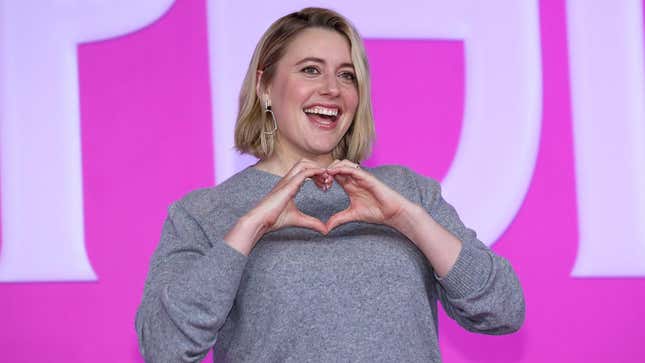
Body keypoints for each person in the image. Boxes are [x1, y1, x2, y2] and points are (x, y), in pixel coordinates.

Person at [135, 7, 525, 362]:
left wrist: (410, 221)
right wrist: (248, 230)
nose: (332, 89)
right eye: (310, 70)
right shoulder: (204, 212)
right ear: (265, 86)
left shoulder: (408, 191)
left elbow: (503, 309)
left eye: (346, 75)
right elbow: (164, 346)